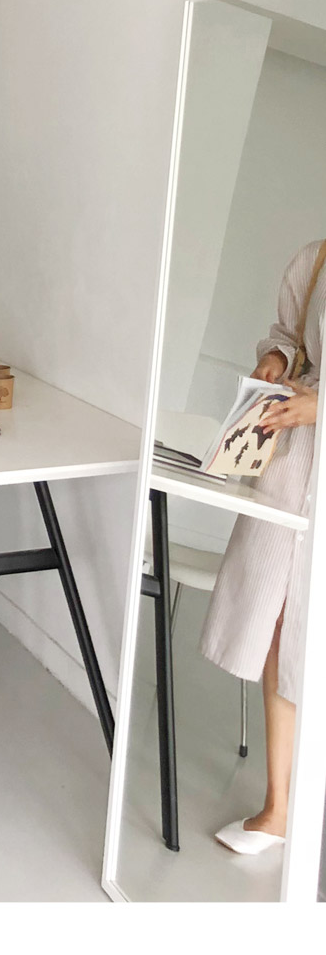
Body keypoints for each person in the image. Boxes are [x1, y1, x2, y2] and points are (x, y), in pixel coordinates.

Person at [200, 238, 326, 855]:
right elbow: (288, 333)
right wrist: (276, 360)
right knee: (279, 621)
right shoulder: (317, 258)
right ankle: (280, 808)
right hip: (295, 463)